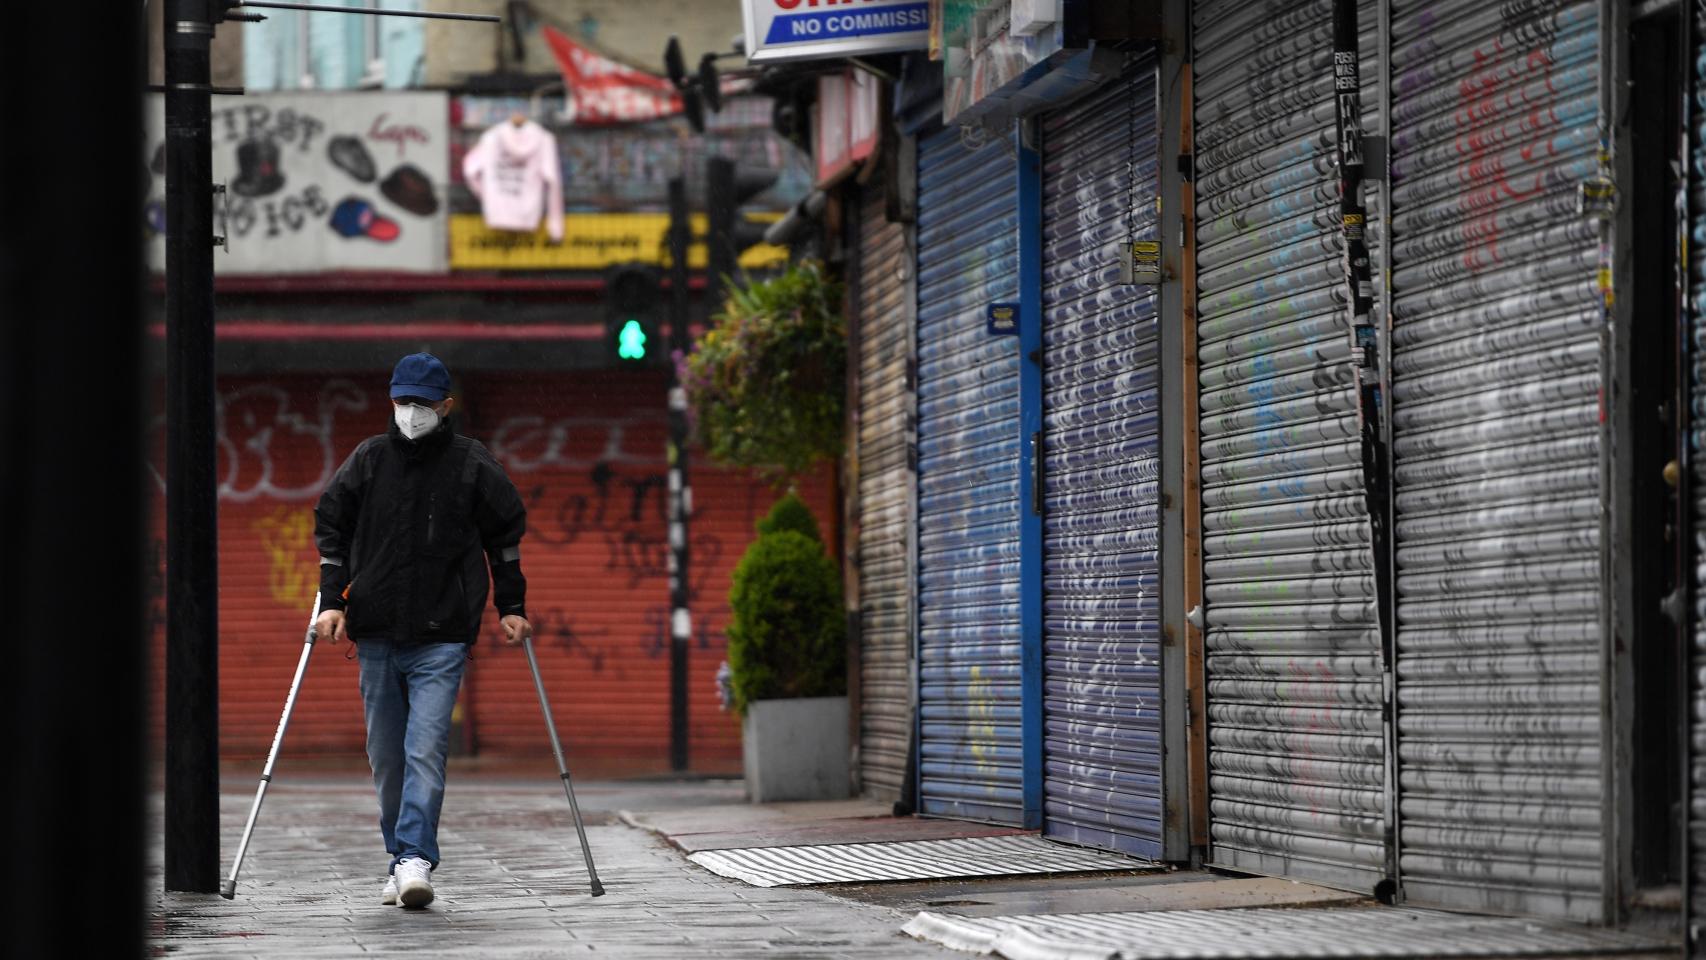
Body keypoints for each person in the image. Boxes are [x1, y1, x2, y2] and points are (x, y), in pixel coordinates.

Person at [313, 352, 532, 909]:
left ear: (445, 405)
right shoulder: (368, 460)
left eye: (422, 403)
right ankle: (399, 858)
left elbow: (504, 534)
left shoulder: (470, 464)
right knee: (387, 758)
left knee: (425, 749)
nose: (411, 412)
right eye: (402, 401)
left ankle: (414, 858)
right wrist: (331, 600)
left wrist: (511, 604)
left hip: (442, 636)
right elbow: (332, 526)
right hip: (377, 635)